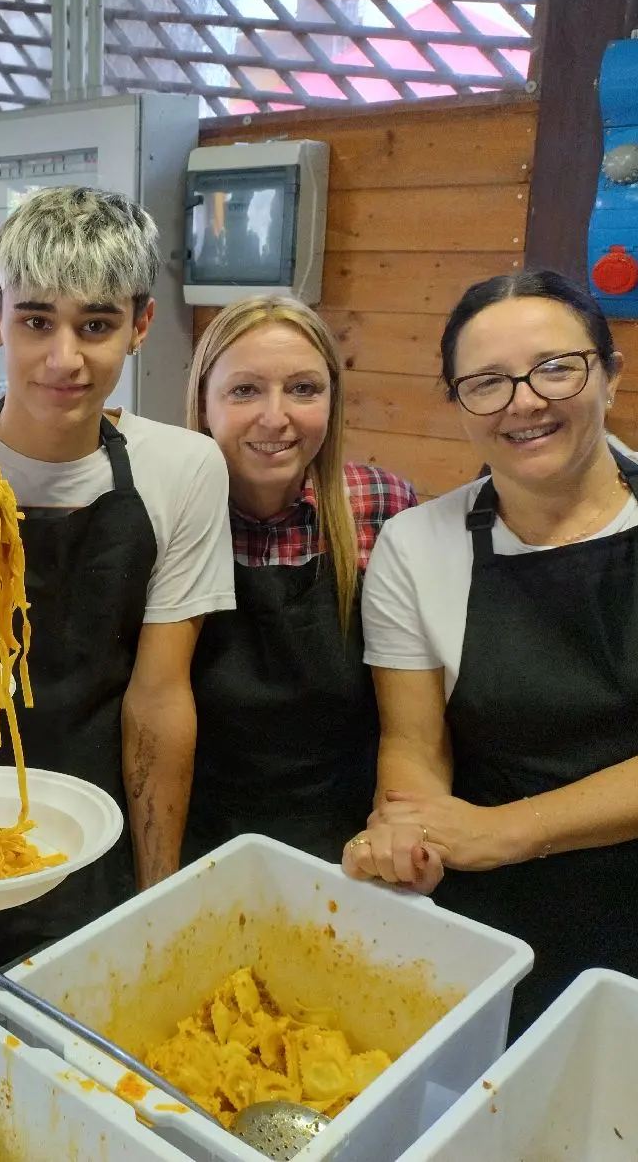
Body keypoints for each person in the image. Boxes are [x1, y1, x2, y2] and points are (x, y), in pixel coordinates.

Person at [0, 186, 234, 985]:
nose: (66, 359)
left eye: (95, 325)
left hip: (92, 830)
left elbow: (159, 699)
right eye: (36, 322)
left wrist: (153, 894)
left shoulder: (182, 469)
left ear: (139, 325)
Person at [344, 270, 638, 1035]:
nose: (523, 401)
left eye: (555, 368)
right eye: (486, 382)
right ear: (458, 403)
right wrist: (406, 835)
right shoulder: (416, 545)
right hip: (498, 923)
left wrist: (502, 831)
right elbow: (413, 744)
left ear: (610, 374)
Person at [179, 297, 416, 864]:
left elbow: (408, 720)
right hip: (195, 838)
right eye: (244, 390)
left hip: (343, 844)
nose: (275, 416)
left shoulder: (381, 505)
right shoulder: (166, 514)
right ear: (203, 402)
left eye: (304, 389)